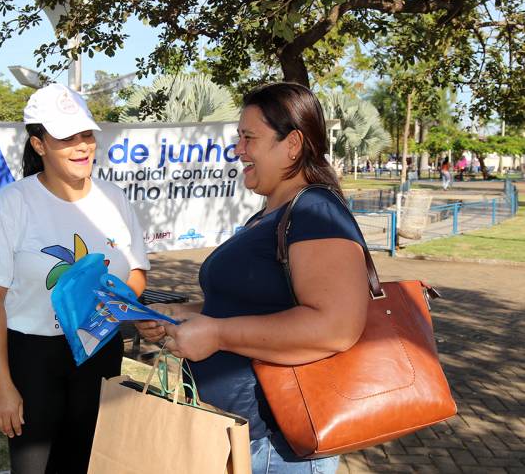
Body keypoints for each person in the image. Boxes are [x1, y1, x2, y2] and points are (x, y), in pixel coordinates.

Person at [137, 83, 369, 474]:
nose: (239, 150)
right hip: (240, 436)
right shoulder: (271, 216)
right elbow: (253, 305)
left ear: (293, 144)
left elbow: (335, 327)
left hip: (276, 449)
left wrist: (217, 334)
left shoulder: (315, 212)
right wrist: (180, 313)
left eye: (249, 138)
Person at [0, 83, 150, 473]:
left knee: (88, 461)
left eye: (86, 134)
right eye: (66, 137)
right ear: (39, 144)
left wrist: (108, 311)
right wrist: (1, 384)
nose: (82, 145)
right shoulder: (13, 204)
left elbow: (135, 272)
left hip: (99, 349)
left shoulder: (114, 198)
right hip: (33, 357)